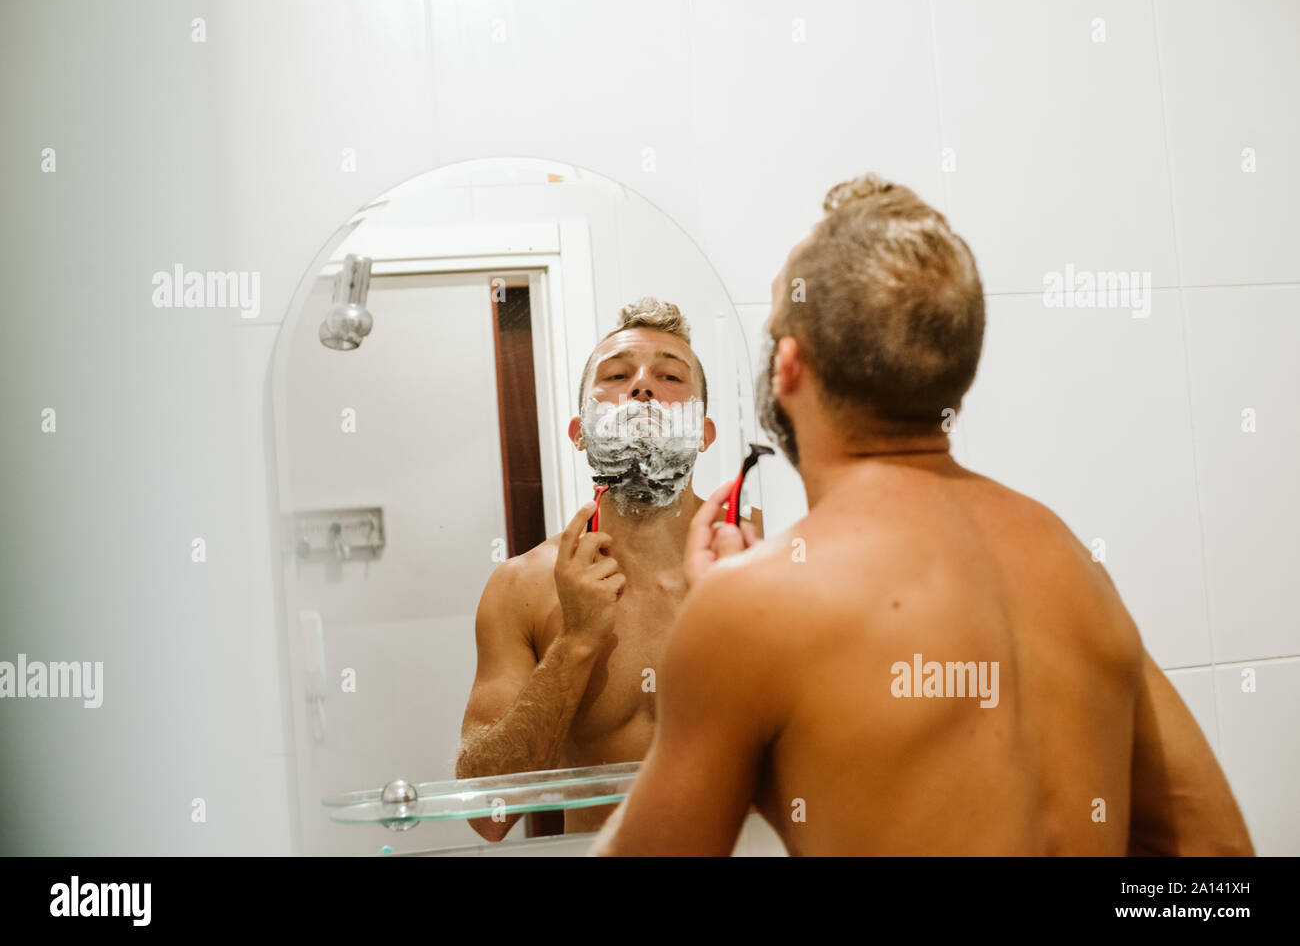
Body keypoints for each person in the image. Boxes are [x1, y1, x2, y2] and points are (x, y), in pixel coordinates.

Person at [590, 174, 1254, 855]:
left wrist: (728, 643)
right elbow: (1219, 864)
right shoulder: (1070, 562)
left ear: (788, 368)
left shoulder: (752, 608)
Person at [456, 297, 760, 839]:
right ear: (580, 432)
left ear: (704, 433)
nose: (642, 386)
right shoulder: (523, 588)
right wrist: (574, 643)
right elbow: (488, 814)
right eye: (617, 375)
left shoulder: (759, 567)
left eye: (669, 375)